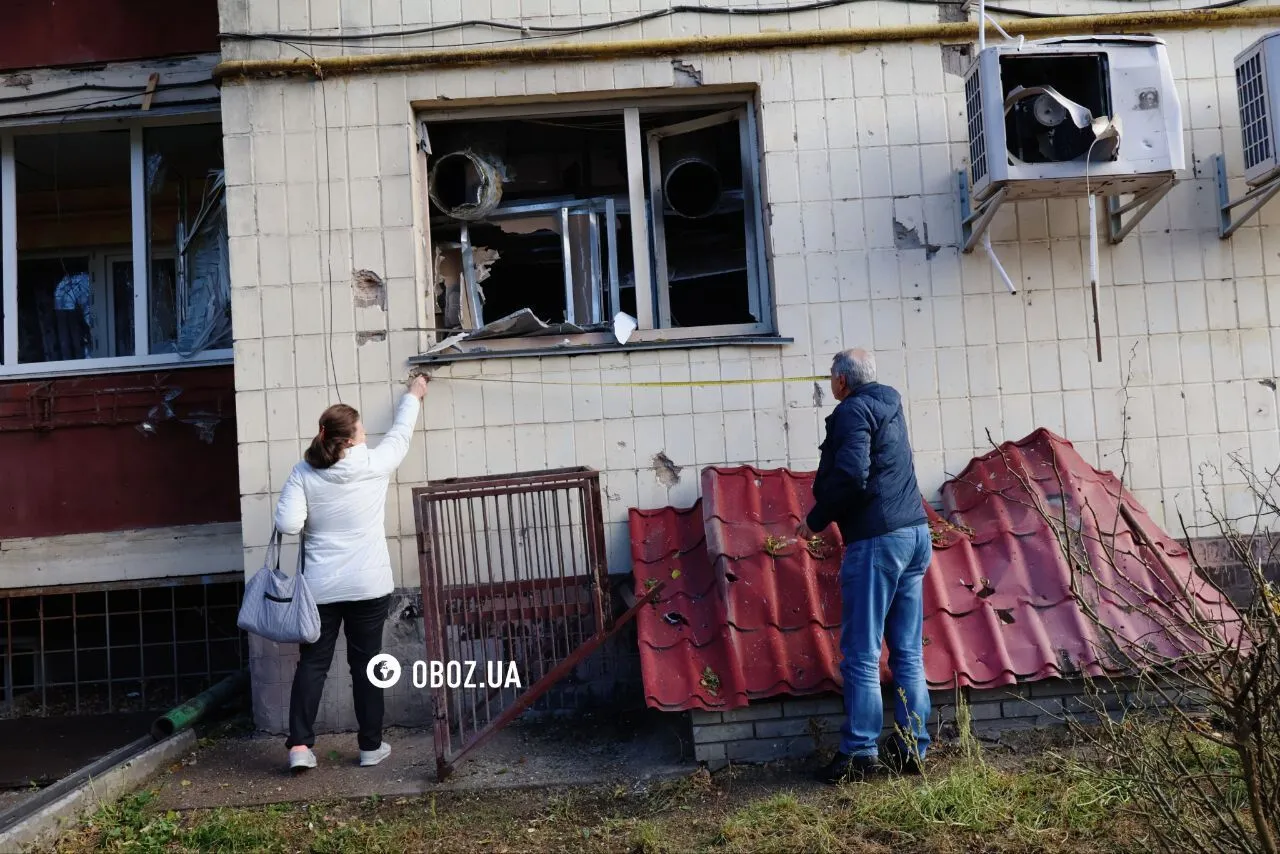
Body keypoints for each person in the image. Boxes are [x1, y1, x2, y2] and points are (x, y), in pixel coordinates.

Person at [275, 374, 429, 772]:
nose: (365, 436)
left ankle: (300, 748)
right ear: (347, 439)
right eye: (360, 431)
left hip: (321, 589)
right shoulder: (374, 464)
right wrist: (414, 394)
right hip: (368, 585)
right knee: (366, 664)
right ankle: (370, 747)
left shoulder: (303, 472)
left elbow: (289, 524)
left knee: (313, 664)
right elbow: (401, 434)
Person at [796, 348, 932, 784]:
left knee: (861, 652)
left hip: (878, 540)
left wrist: (815, 520)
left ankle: (859, 752)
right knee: (908, 651)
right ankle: (912, 746)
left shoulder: (854, 411)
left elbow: (853, 474)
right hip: (915, 533)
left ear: (841, 380)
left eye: (831, 378)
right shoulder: (889, 403)